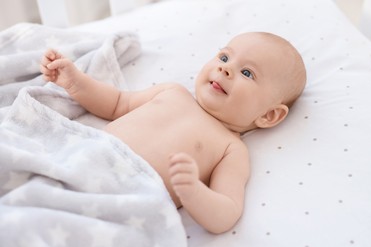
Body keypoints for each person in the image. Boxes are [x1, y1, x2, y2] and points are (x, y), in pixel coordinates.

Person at [40, 32, 306, 234]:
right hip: (82, 156)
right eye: (224, 57)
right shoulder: (171, 91)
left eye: (247, 73)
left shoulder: (231, 149)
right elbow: (117, 103)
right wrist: (76, 82)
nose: (225, 68)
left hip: (124, 195)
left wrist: (193, 192)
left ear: (269, 115)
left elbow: (227, 212)